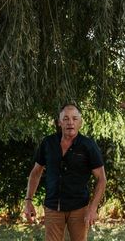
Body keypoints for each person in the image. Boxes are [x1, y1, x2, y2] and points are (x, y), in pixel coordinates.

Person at [23, 103, 107, 241]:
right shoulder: (48, 143)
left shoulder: (88, 146)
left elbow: (102, 179)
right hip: (53, 207)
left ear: (80, 122)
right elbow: (36, 173)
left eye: (74, 118)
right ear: (59, 122)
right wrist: (28, 200)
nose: (70, 123)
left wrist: (93, 207)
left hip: (79, 208)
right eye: (66, 119)